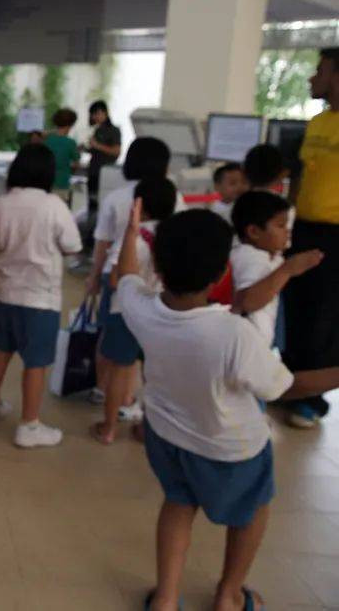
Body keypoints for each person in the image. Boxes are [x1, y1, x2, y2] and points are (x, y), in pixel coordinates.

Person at [117, 206, 339, 611]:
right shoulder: (232, 333)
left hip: (165, 435)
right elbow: (286, 387)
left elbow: (127, 276)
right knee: (250, 511)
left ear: (160, 267)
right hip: (230, 449)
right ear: (221, 274)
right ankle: (229, 594)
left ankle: (165, 598)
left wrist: (131, 234)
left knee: (178, 503)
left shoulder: (139, 306)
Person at [0, 144, 82, 448]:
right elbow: (73, 246)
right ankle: (29, 425)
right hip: (40, 297)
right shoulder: (54, 206)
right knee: (35, 361)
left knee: (0, 349)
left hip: (6, 292)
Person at [85, 137, 181, 405]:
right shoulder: (174, 195)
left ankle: (103, 388)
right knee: (146, 341)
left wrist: (93, 277)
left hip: (115, 277)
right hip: (155, 280)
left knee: (112, 334)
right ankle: (131, 396)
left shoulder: (115, 197)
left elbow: (102, 242)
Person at [90, 177, 177, 445]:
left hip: (126, 312)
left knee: (120, 369)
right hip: (160, 313)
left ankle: (109, 428)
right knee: (152, 374)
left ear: (139, 204)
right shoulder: (171, 237)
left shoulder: (134, 237)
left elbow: (116, 279)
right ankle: (146, 427)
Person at [285, 46, 339, 428]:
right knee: (295, 307)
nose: (311, 77)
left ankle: (311, 399)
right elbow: (301, 176)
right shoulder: (318, 123)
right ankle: (289, 386)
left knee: (324, 315)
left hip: (335, 235)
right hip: (302, 228)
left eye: (319, 71)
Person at [230, 191, 322, 354]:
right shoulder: (249, 257)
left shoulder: (271, 256)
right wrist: (287, 270)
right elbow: (248, 302)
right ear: (254, 232)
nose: (287, 232)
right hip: (251, 348)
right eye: (280, 226)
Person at [85, 100, 122, 220]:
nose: (94, 117)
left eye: (96, 114)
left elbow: (116, 152)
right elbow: (96, 150)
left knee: (103, 206)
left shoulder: (114, 130)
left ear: (104, 113)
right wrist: (87, 148)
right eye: (93, 115)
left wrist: (97, 146)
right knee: (92, 205)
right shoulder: (97, 130)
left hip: (105, 173)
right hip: (93, 171)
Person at [45, 108, 81, 204]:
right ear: (70, 125)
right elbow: (77, 164)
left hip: (47, 183)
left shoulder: (47, 141)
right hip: (62, 184)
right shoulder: (70, 143)